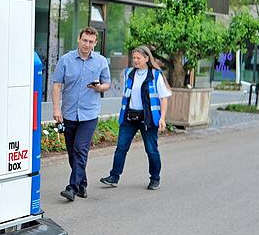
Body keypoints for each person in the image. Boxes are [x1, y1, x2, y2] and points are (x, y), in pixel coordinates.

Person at [51, 26, 111, 202]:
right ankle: (82, 184)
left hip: (89, 114)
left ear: (95, 43)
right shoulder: (65, 60)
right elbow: (56, 86)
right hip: (69, 113)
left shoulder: (101, 61)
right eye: (85, 40)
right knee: (72, 153)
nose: (87, 44)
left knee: (80, 149)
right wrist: (56, 109)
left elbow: (107, 84)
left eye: (91, 42)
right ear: (79, 39)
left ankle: (72, 188)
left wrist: (99, 88)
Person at [99, 46, 171, 190]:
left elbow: (164, 98)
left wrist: (162, 118)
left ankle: (155, 178)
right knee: (121, 148)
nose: (135, 60)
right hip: (129, 117)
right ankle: (114, 177)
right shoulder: (129, 73)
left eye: (138, 58)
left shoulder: (155, 75)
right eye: (134, 58)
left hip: (148, 119)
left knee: (151, 149)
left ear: (146, 58)